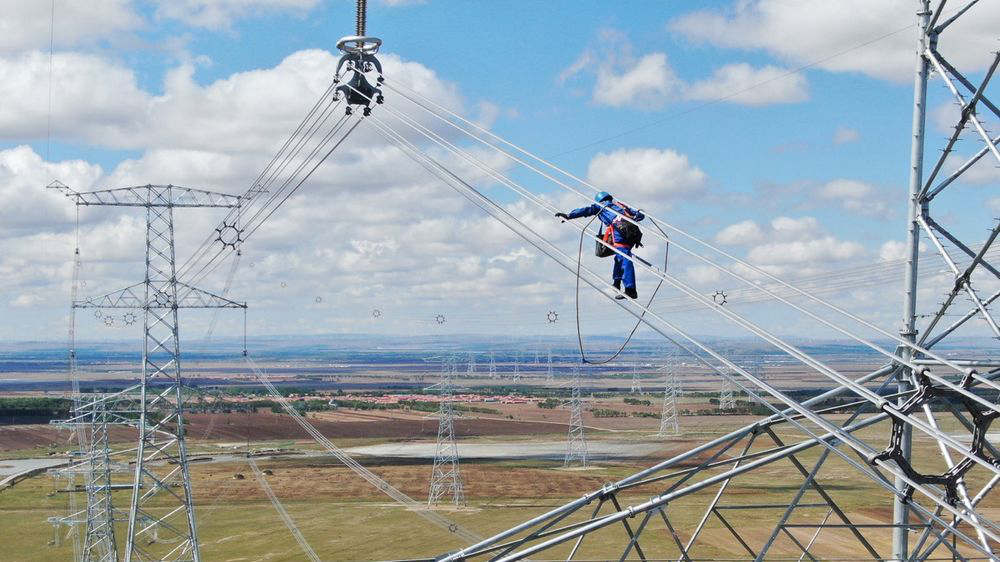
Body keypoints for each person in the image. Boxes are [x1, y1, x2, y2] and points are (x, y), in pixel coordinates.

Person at [556, 191, 644, 299]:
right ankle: (616, 282)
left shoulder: (601, 206)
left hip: (620, 233)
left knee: (624, 260)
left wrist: (569, 215)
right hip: (633, 235)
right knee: (619, 258)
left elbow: (586, 210)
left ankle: (630, 290)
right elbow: (640, 216)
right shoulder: (620, 205)